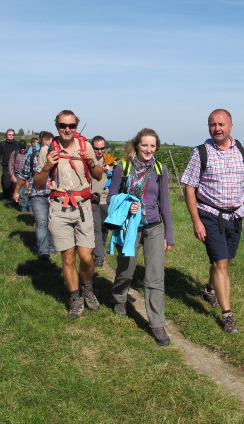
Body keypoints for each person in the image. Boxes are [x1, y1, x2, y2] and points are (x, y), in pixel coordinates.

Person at [181, 109, 244, 334]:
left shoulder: (243, 150)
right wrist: (196, 221)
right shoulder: (200, 152)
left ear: (230, 126)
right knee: (221, 264)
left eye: (221, 124)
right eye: (212, 124)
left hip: (236, 215)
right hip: (210, 214)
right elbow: (189, 188)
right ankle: (227, 315)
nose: (216, 128)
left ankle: (210, 289)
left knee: (224, 261)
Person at [107, 128, 174, 346]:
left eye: (152, 146)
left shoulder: (160, 170)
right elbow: (111, 197)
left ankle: (157, 323)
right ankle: (119, 296)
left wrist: (169, 234)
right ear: (137, 145)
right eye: (145, 145)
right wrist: (128, 206)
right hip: (130, 227)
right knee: (127, 268)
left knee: (155, 275)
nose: (148, 149)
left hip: (154, 227)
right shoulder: (122, 168)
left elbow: (164, 203)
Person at [34, 110, 104, 319]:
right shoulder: (47, 149)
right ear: (56, 126)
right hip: (59, 206)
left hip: (83, 207)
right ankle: (75, 298)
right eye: (63, 126)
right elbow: (38, 183)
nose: (67, 129)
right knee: (67, 256)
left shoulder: (85, 146)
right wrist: (48, 165)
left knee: (86, 256)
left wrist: (91, 162)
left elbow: (99, 176)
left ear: (76, 127)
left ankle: (88, 288)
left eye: (71, 126)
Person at [21, 130, 56, 259]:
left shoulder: (57, 157)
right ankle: (44, 251)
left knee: (52, 222)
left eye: (51, 140)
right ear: (40, 141)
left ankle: (52, 246)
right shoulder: (33, 156)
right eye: (46, 140)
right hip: (37, 193)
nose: (49, 143)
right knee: (41, 222)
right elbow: (24, 173)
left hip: (53, 193)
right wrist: (17, 189)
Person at [90, 135, 115, 267]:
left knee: (105, 228)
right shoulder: (89, 161)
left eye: (102, 148)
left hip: (106, 199)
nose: (99, 151)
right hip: (93, 199)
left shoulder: (109, 160)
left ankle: (99, 247)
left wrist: (112, 170)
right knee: (96, 228)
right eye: (97, 148)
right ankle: (99, 257)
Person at [0, 129, 18, 201]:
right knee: (6, 182)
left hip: (15, 165)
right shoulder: (2, 144)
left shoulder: (17, 144)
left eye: (12, 135)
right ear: (6, 135)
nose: (11, 136)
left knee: (13, 182)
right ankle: (5, 196)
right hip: (5, 165)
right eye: (9, 134)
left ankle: (12, 196)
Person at [8, 139, 28, 205]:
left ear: (26, 147)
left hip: (27, 175)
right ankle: (23, 208)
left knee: (30, 193)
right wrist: (12, 175)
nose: (22, 149)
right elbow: (10, 164)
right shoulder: (14, 153)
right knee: (21, 192)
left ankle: (29, 208)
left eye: (24, 147)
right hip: (18, 174)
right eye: (21, 147)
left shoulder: (29, 154)